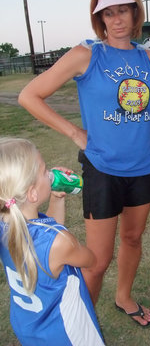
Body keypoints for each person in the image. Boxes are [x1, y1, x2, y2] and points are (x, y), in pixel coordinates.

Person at [18, 0, 150, 327]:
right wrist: (74, 132)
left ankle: (123, 296)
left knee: (132, 239)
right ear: (99, 18)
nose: (117, 19)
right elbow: (30, 95)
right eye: (108, 13)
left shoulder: (148, 58)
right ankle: (81, 324)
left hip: (142, 169)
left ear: (136, 13)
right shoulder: (86, 54)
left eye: (124, 10)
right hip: (102, 170)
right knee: (97, 260)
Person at [0, 137, 105, 346]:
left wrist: (57, 198)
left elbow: (45, 238)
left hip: (29, 327)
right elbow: (91, 260)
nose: (50, 174)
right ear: (32, 193)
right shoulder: (61, 242)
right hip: (67, 334)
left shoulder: (7, 223)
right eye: (44, 170)